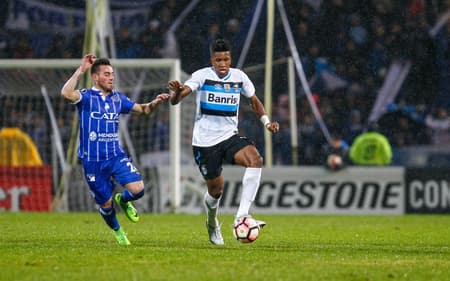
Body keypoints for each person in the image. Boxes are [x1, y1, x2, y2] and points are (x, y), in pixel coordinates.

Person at [167, 38, 279, 245]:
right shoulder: (202, 75)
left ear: (230, 59)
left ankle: (242, 216)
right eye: (218, 60)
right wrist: (176, 93)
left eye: (225, 59)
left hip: (229, 136)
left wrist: (266, 122)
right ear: (212, 60)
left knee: (255, 159)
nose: (222, 63)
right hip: (204, 143)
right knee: (216, 191)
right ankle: (211, 223)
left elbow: (254, 101)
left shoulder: (239, 77)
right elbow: (179, 98)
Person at [61, 54, 170, 245]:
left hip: (115, 156)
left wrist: (154, 103)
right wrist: (81, 70)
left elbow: (143, 110)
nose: (112, 77)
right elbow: (66, 93)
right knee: (105, 203)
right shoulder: (86, 97)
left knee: (138, 189)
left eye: (112, 74)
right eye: (107, 74)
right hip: (92, 161)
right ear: (96, 77)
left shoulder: (118, 99)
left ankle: (124, 200)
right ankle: (119, 232)